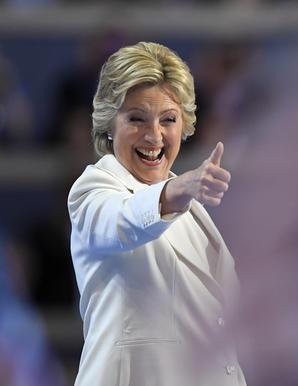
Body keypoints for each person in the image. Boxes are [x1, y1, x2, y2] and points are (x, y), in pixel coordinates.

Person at [67, 42, 246, 386]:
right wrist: (176, 192)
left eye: (169, 119)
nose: (154, 136)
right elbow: (119, 221)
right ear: (109, 124)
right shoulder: (94, 188)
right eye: (136, 118)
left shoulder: (191, 205)